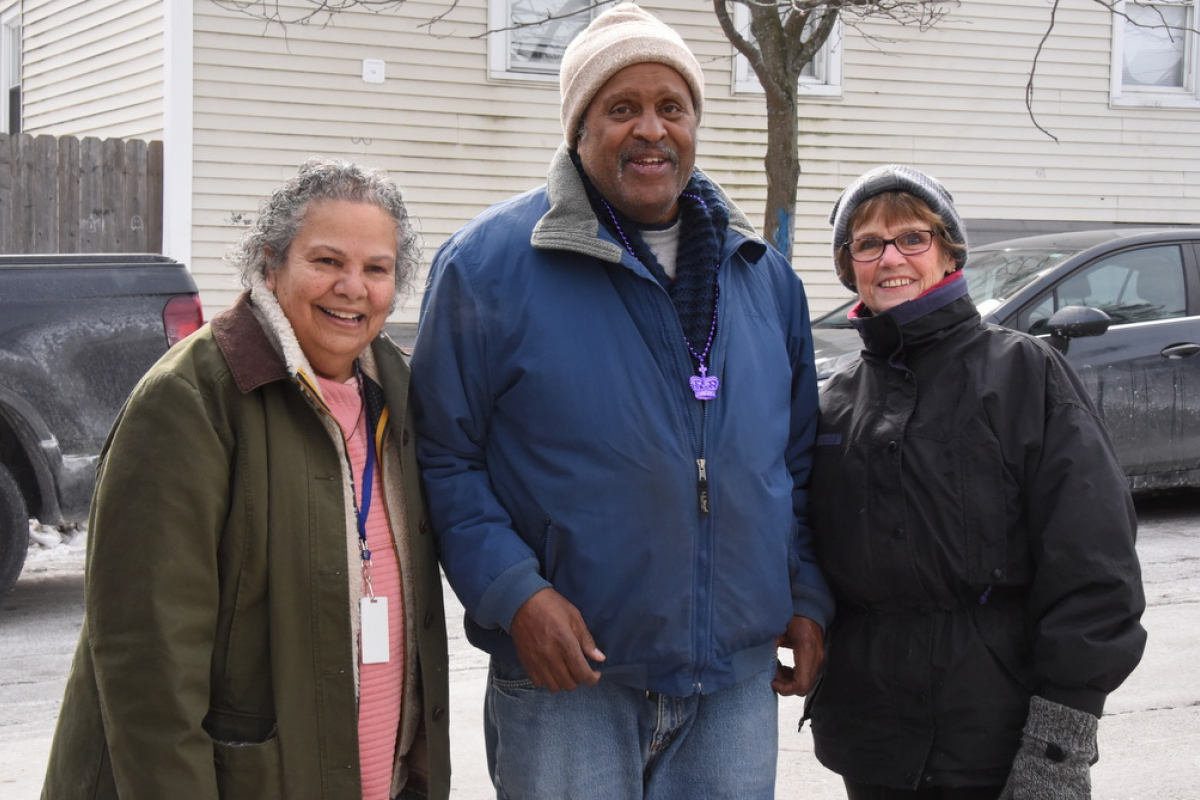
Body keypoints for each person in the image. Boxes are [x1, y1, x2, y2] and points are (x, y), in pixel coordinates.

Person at [410, 4, 833, 798]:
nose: (651, 129)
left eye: (671, 107)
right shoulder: (488, 265)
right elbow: (444, 454)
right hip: (568, 681)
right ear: (579, 129)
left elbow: (796, 460)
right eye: (622, 108)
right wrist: (516, 595)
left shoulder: (762, 276)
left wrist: (805, 594)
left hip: (734, 684)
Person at [42, 158, 450, 800]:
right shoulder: (189, 400)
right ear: (270, 263)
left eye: (377, 268)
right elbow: (147, 663)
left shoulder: (396, 391)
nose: (353, 287)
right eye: (325, 261)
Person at [805, 164, 1148, 799]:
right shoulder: (834, 401)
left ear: (948, 253)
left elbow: (1093, 562)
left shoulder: (1022, 373)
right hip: (871, 736)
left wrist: (1060, 743)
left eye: (913, 237)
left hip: (997, 729)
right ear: (847, 264)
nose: (891, 258)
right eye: (868, 243)